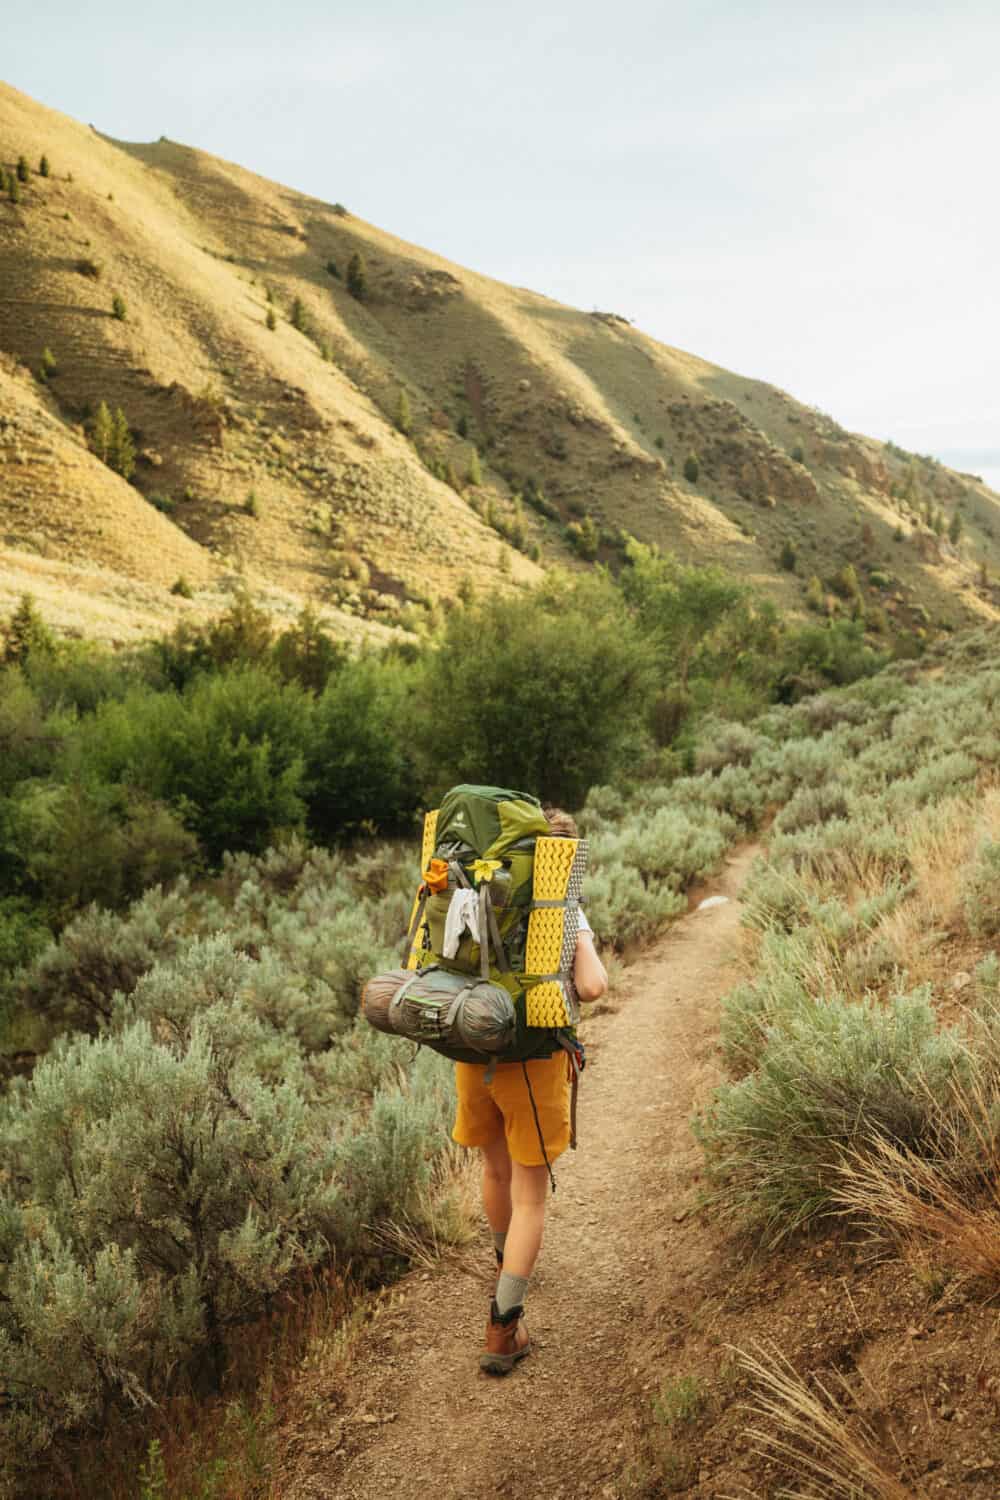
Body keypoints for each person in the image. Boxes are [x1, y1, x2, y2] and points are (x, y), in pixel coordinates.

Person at [450, 806, 608, 1375]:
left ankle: (503, 1271)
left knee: (493, 1174)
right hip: (533, 1065)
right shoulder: (563, 911)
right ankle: (503, 1331)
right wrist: (580, 942)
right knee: (531, 1198)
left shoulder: (479, 895)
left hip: (472, 1058)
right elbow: (591, 986)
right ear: (562, 861)